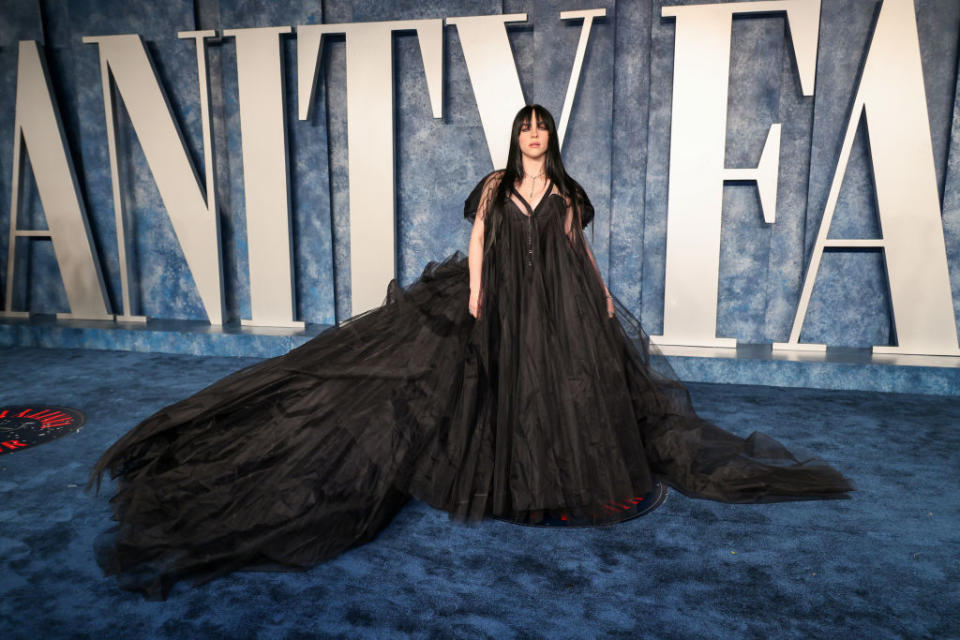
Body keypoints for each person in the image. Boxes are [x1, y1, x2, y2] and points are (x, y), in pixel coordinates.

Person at [90, 105, 853, 599]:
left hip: (558, 306)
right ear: (514, 139)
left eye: (541, 129)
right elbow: (478, 241)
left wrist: (603, 294)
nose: (533, 138)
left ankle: (552, 478)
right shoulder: (494, 185)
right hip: (506, 301)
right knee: (490, 388)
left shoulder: (565, 190)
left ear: (551, 138)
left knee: (563, 392)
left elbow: (575, 251)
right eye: (525, 129)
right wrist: (479, 296)